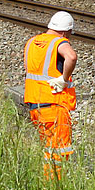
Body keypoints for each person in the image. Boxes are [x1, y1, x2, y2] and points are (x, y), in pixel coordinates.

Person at [23, 12, 79, 180]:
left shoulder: (32, 42)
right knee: (59, 152)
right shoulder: (59, 42)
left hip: (34, 104)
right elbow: (71, 56)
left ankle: (46, 184)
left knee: (47, 149)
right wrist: (63, 79)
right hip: (54, 104)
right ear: (64, 31)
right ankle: (55, 188)